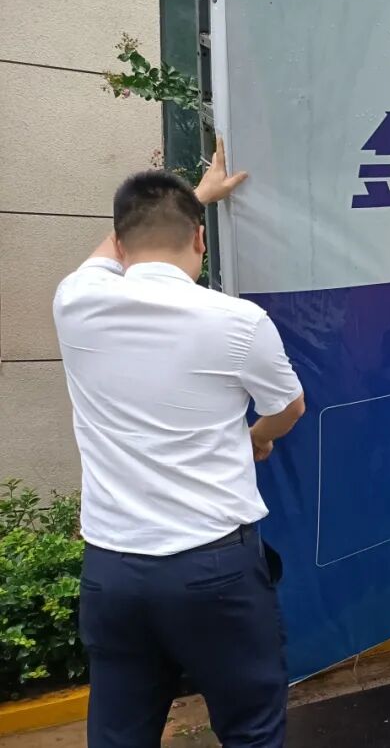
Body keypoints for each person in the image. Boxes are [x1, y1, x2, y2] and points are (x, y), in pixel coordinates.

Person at [53, 139, 305, 747]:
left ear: (120, 245)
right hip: (213, 569)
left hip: (112, 571)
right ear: (200, 240)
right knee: (250, 731)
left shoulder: (75, 301)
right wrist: (255, 439)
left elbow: (114, 244)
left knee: (119, 734)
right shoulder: (237, 322)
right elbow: (288, 408)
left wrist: (195, 196)